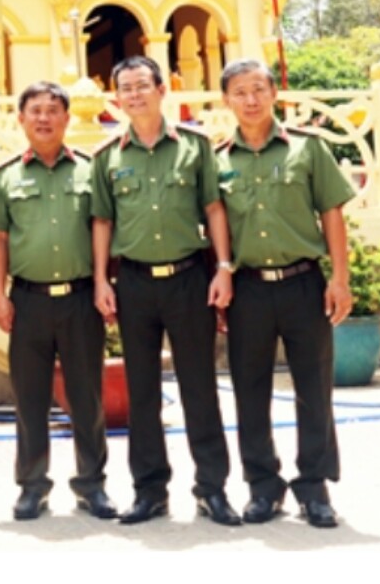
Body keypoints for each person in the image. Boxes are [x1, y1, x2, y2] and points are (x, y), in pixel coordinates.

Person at [91, 56, 240, 526]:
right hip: (133, 282)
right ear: (116, 99)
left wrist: (223, 267)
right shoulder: (108, 155)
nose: (134, 95)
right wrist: (100, 279)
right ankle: (149, 490)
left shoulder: (195, 147)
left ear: (161, 89)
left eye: (142, 85)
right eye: (125, 88)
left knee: (199, 387)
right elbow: (102, 221)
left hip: (189, 279)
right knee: (143, 392)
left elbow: (214, 209)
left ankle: (211, 489)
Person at [216, 59, 355, 529]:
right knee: (249, 390)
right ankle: (262, 486)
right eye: (240, 92)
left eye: (258, 89)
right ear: (226, 101)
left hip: (303, 284)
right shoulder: (217, 160)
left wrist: (340, 278)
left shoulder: (307, 149)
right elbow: (211, 230)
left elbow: (332, 214)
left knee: (313, 387)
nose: (250, 99)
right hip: (248, 290)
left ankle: (314, 488)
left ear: (274, 93)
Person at [0, 81, 116, 521]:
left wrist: (102, 282)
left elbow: (102, 226)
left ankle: (91, 485)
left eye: (52, 110)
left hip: (80, 299)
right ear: (20, 120)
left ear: (66, 117)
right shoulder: (5, 176)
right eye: (35, 110)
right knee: (30, 399)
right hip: (28, 301)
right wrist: (0, 296)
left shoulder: (89, 170)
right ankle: (32, 486)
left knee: (87, 398)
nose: (44, 118)